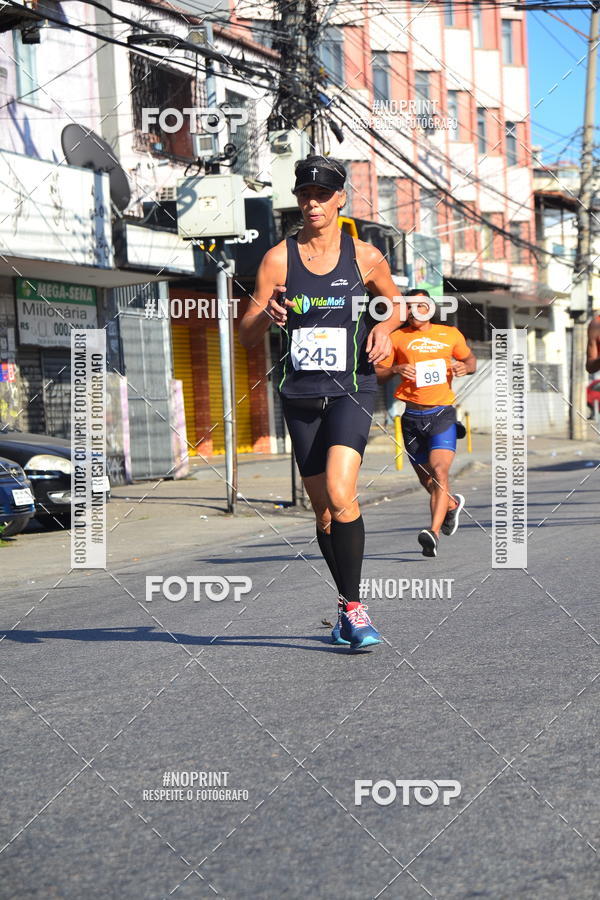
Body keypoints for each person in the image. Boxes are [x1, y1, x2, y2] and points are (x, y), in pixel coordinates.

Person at [239, 155, 404, 649]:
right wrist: (266, 313)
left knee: (340, 492)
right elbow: (246, 335)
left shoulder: (365, 255)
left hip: (352, 387)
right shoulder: (277, 258)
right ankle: (345, 606)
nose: (312, 203)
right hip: (300, 394)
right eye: (304, 195)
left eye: (322, 195)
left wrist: (384, 328)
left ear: (340, 199)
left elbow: (395, 304)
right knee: (325, 514)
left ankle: (355, 610)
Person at [375, 289, 476, 557]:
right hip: (411, 417)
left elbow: (470, 359)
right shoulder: (395, 337)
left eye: (420, 305)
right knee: (428, 481)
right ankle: (452, 505)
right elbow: (379, 375)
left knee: (440, 472)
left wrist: (465, 367)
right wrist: (396, 369)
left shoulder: (449, 334)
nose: (414, 310)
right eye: (409, 307)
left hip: (441, 413)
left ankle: (433, 532)